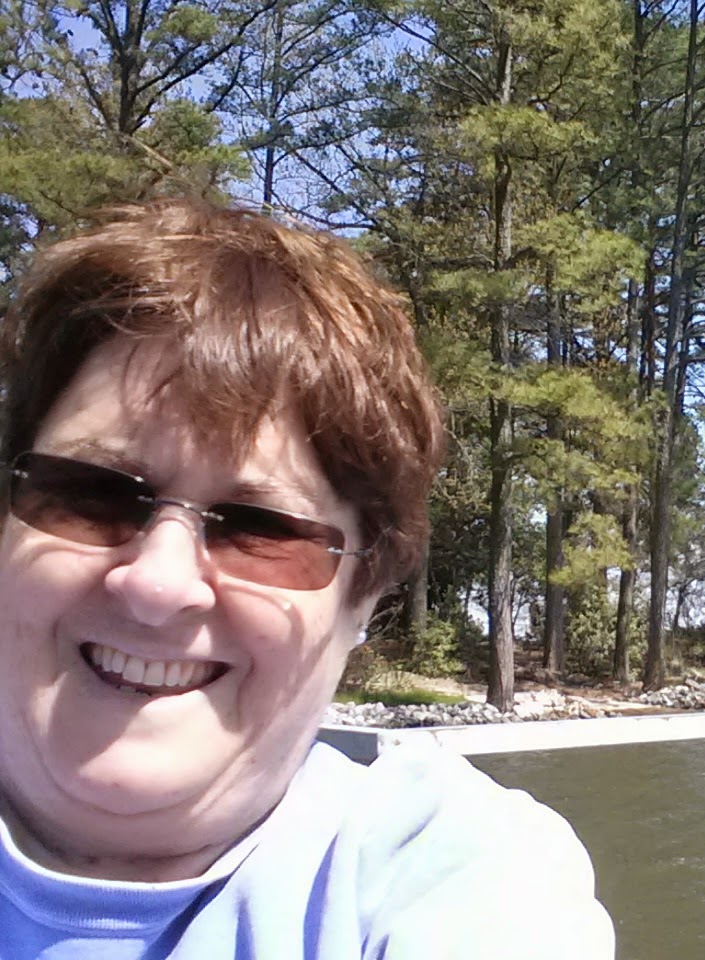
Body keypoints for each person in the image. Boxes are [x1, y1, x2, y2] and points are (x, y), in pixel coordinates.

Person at [0, 201, 615, 958]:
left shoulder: (453, 874)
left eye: (260, 530)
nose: (157, 585)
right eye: (90, 495)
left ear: (365, 597)